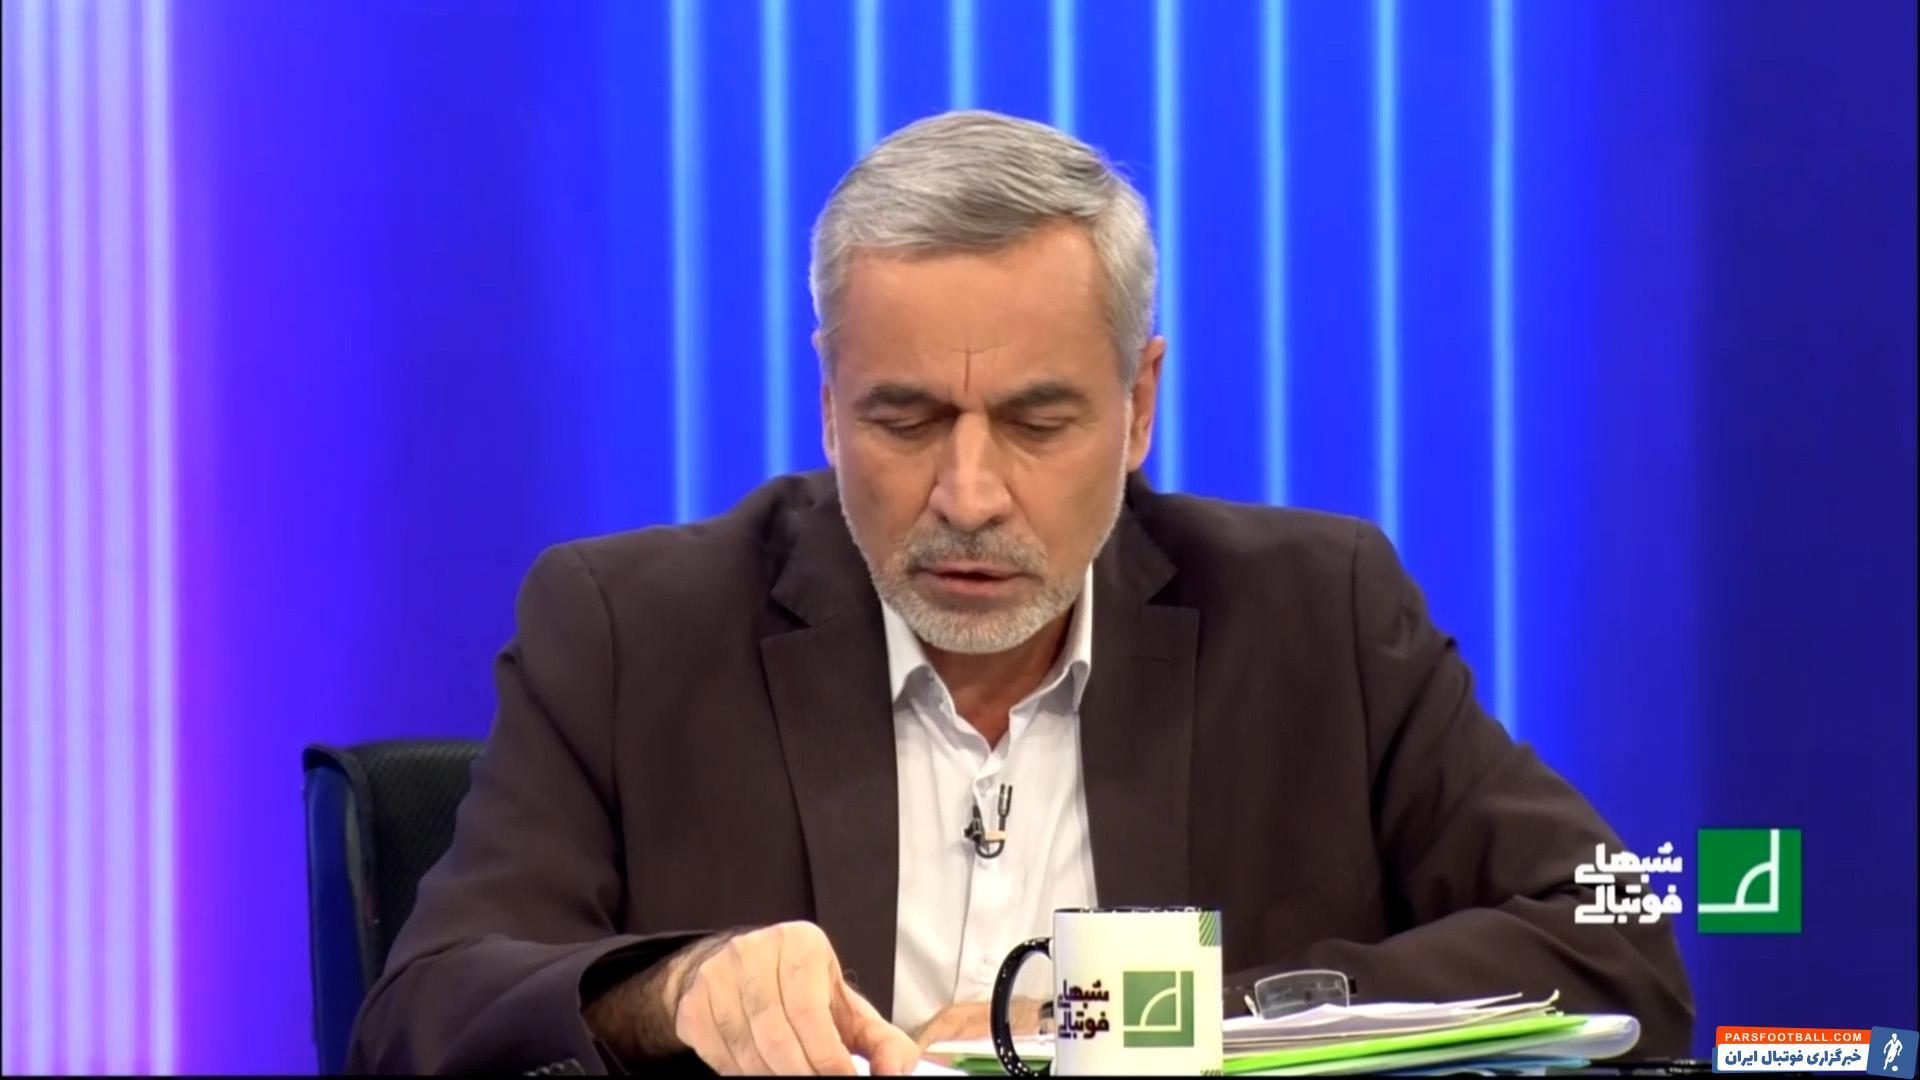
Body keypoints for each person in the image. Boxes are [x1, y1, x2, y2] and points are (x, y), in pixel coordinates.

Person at [347, 110, 1693, 1076]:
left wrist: (1146, 1025)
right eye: (906, 418)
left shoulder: (1320, 617)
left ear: (1139, 405)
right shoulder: (628, 629)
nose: (970, 492)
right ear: (828, 405)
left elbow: (1616, 933)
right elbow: (420, 1012)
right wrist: (671, 988)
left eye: (1039, 421)